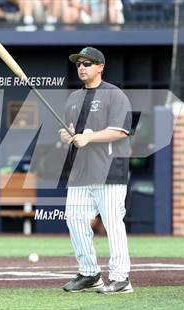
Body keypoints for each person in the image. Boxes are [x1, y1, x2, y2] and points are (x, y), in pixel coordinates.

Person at [59, 47, 133, 294]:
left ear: (100, 67)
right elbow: (73, 130)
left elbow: (120, 131)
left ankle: (121, 278)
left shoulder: (115, 95)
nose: (82, 67)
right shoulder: (73, 99)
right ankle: (89, 273)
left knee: (112, 222)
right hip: (80, 171)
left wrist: (88, 138)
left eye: (88, 63)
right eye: (79, 63)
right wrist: (67, 135)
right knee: (75, 220)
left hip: (109, 168)